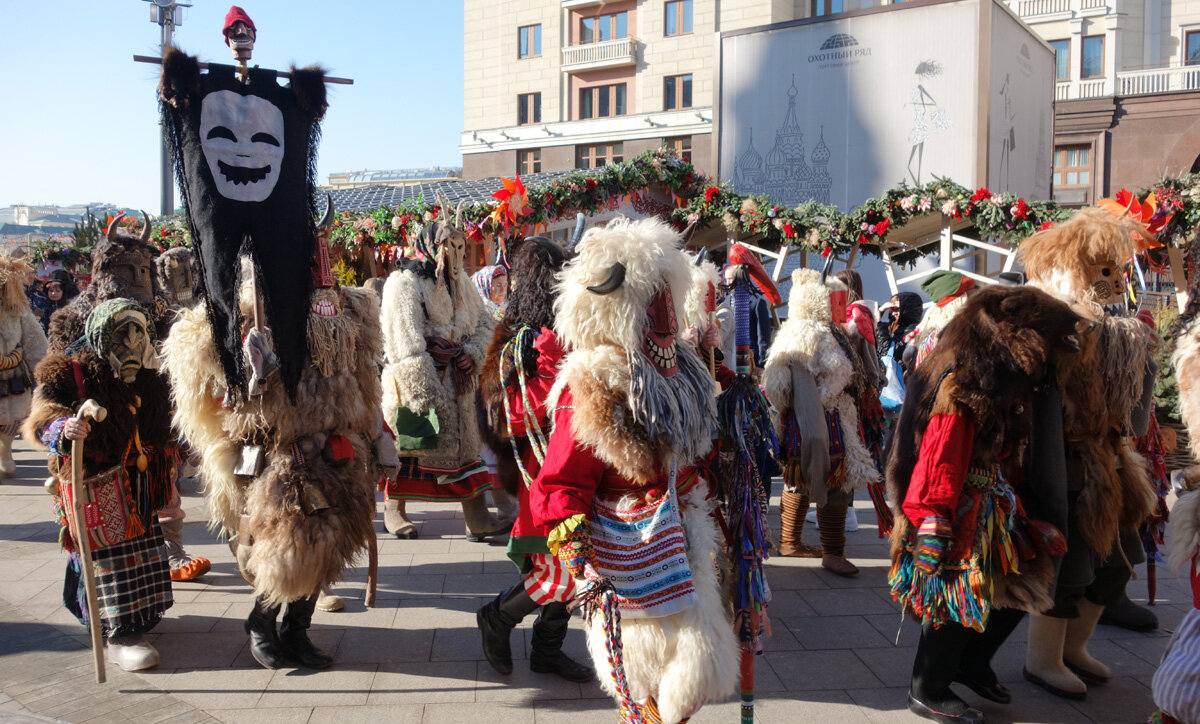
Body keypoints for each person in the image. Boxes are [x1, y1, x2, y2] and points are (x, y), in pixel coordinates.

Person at [529, 217, 738, 723]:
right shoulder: (594, 381)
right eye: (651, 296)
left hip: (686, 528)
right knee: (645, 677)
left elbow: (695, 450)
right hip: (628, 545)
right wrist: (575, 546)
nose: (663, 309)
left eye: (666, 292)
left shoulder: (685, 367)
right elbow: (562, 479)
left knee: (694, 667)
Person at [164, 209, 385, 670]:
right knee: (276, 547)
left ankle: (296, 628)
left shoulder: (350, 307)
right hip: (273, 451)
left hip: (338, 447)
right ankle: (262, 622)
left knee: (329, 543)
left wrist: (380, 434)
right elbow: (198, 366)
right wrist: (240, 354)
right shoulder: (243, 309)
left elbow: (366, 378)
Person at [887, 285, 1084, 724]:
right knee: (955, 591)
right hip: (955, 506)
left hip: (991, 502)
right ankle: (927, 687)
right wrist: (933, 519)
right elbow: (940, 455)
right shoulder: (966, 381)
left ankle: (970, 661)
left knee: (1025, 577)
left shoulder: (997, 376)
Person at [1017, 207, 1158, 701]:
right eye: (1103, 270)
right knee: (1068, 568)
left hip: (1112, 462)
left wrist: (1145, 359)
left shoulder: (1119, 330)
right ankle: (1043, 659)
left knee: (1118, 563)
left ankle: (1074, 647)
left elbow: (1135, 421)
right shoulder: (1054, 328)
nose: (1114, 281)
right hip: (1069, 467)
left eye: (1116, 270)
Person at [26, 298, 175, 672]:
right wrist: (64, 428)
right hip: (96, 485)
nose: (130, 341)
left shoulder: (152, 372)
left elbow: (168, 419)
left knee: (140, 551)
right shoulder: (68, 371)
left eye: (138, 331)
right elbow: (44, 416)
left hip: (141, 483)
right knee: (106, 555)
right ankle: (120, 633)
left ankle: (129, 617)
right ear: (100, 333)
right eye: (120, 331)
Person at [475, 236, 592, 684]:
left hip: (577, 471)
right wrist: (560, 387)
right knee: (559, 569)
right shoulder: (522, 343)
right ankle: (497, 617)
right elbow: (510, 418)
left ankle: (547, 650)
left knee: (576, 565)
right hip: (543, 474)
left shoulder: (564, 335)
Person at [380, 205, 508, 542]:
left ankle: (477, 517)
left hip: (460, 380)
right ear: (430, 247)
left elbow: (484, 323)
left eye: (460, 246)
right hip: (423, 381)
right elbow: (403, 342)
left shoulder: (463, 283)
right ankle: (395, 510)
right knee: (412, 446)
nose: (456, 254)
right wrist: (423, 391)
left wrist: (472, 352)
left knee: (467, 449)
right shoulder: (403, 284)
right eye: (448, 247)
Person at [763, 269, 877, 575]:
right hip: (828, 420)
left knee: (797, 477)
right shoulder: (821, 334)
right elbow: (839, 372)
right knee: (836, 482)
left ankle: (789, 541)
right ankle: (833, 553)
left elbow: (776, 384)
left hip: (795, 419)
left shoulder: (790, 331)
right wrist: (826, 399)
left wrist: (792, 406)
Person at [0, 257, 48, 477]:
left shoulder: (17, 310)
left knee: (11, 417)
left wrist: (41, 367)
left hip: (12, 373)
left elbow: (34, 339)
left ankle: (6, 452)